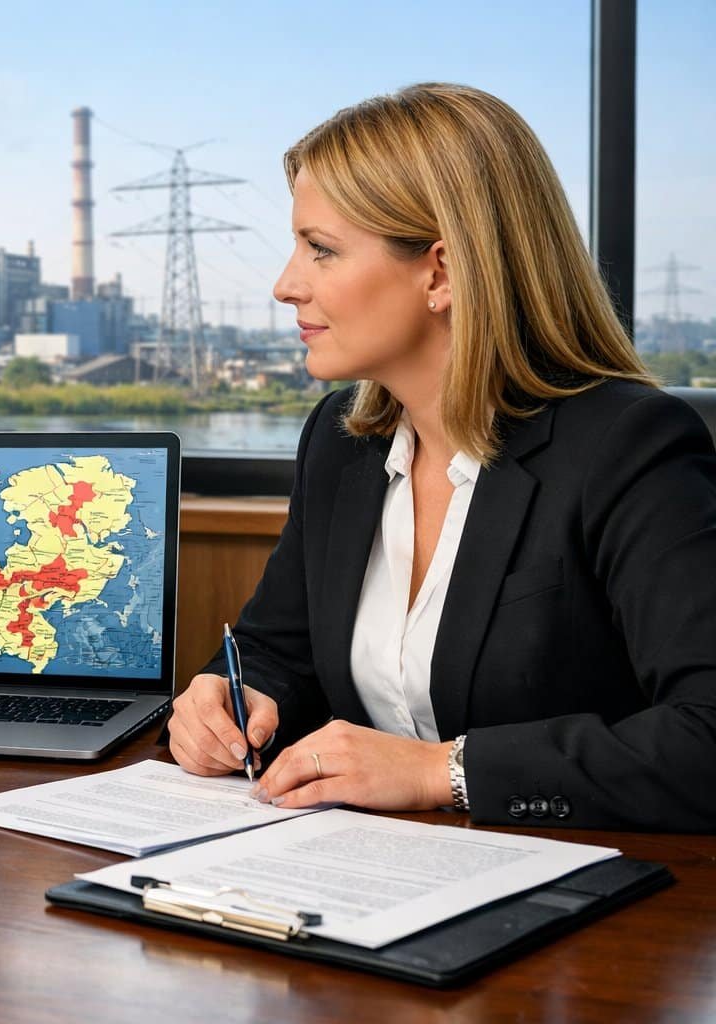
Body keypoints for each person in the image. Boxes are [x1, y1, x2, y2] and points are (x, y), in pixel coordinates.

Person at [167, 83, 716, 831]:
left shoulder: (628, 447)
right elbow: (275, 649)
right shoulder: (340, 440)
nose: (285, 285)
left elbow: (705, 736)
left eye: (320, 249)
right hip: (366, 878)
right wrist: (232, 697)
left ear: (442, 272)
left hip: (581, 901)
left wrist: (441, 771)